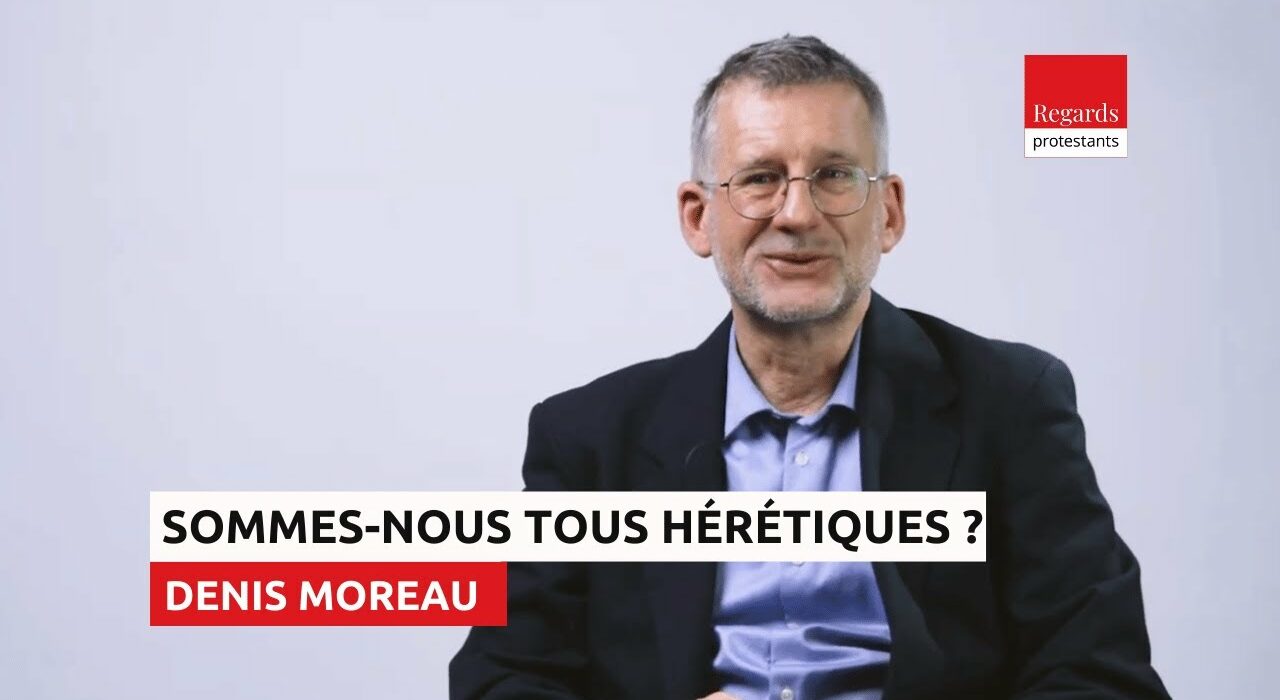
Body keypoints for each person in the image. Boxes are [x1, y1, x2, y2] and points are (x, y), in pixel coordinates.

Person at [449, 35, 1169, 700]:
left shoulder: (1011, 404)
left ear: (889, 212)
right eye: (760, 178)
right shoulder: (587, 438)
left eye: (834, 175)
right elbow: (501, 680)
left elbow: (1100, 676)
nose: (796, 213)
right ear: (699, 217)